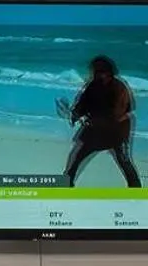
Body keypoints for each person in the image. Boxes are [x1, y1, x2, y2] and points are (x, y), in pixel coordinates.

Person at [61, 55, 142, 188]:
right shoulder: (93, 85)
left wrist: (92, 120)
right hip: (96, 129)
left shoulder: (119, 88)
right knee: (77, 155)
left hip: (117, 130)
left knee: (123, 160)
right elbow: (83, 103)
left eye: (97, 71)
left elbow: (117, 113)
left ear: (107, 72)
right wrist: (76, 113)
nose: (94, 74)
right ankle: (67, 182)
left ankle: (136, 188)